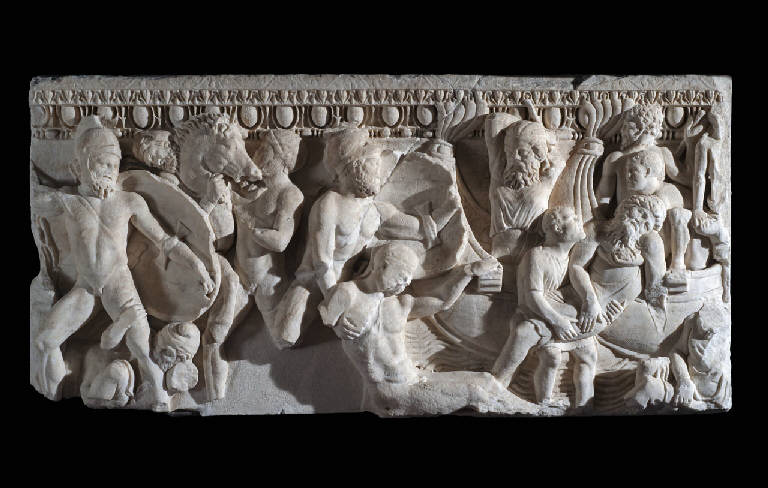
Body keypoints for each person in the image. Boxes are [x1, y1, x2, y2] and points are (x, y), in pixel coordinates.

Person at [32, 116, 213, 411]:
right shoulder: (69, 202)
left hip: (119, 284)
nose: (109, 171)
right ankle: (54, 389)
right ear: (80, 167)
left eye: (113, 165)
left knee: (143, 351)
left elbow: (166, 242)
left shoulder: (128, 202)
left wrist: (198, 267)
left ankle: (159, 397)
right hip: (86, 288)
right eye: (102, 164)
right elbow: (37, 200)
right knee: (44, 342)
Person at [274, 127, 458, 348]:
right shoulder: (329, 204)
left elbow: (421, 230)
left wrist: (451, 205)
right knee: (285, 337)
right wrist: (335, 304)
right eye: (372, 165)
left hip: (351, 289)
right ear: (354, 168)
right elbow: (322, 261)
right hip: (314, 284)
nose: (378, 174)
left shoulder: (376, 211)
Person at [318, 242, 521, 416]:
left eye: (408, 278)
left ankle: (527, 405)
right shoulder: (348, 293)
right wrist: (338, 326)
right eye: (402, 275)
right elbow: (326, 315)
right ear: (382, 266)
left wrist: (468, 271)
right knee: (475, 393)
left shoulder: (397, 304)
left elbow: (440, 301)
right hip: (392, 392)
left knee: (486, 381)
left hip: (413, 378)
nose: (405, 283)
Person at [491, 206, 597, 407]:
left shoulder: (571, 259)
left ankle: (584, 406)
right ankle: (495, 390)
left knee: (588, 354)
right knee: (540, 354)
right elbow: (532, 297)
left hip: (560, 314)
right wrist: (558, 322)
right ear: (557, 228)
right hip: (535, 317)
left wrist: (591, 302)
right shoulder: (537, 256)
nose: (579, 220)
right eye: (572, 218)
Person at [596, 104, 691, 284]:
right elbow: (604, 197)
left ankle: (674, 269)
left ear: (642, 127)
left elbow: (684, 178)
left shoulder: (662, 153)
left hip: (654, 224)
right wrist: (600, 219)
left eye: (628, 125)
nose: (623, 130)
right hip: (625, 223)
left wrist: (690, 144)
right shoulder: (615, 158)